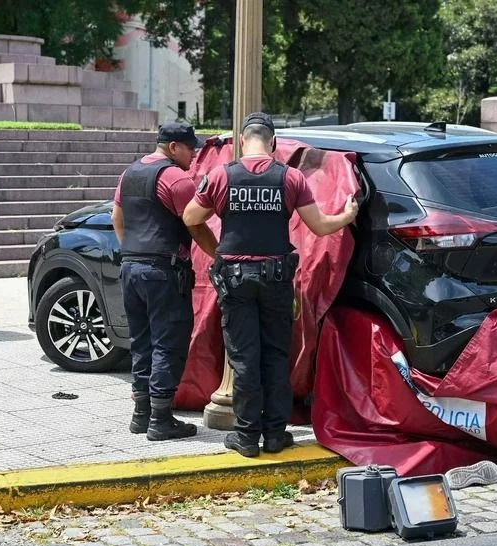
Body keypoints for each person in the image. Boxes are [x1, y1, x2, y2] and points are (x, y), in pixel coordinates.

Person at [183, 112, 358, 457]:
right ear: (273, 143)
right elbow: (321, 227)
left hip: (235, 281)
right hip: (276, 278)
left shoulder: (221, 176)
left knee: (244, 357)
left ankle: (247, 437)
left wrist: (216, 251)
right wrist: (348, 215)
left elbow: (191, 218)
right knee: (276, 355)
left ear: (243, 141)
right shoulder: (290, 178)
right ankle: (275, 434)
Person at [112, 123, 217, 441]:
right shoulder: (174, 178)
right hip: (163, 272)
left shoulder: (129, 173)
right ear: (174, 147)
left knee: (141, 343)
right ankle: (160, 419)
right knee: (167, 345)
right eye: (190, 148)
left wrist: (132, 251)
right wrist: (219, 255)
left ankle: (141, 414)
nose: (194, 154)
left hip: (131, 269)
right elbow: (195, 224)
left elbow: (118, 217)